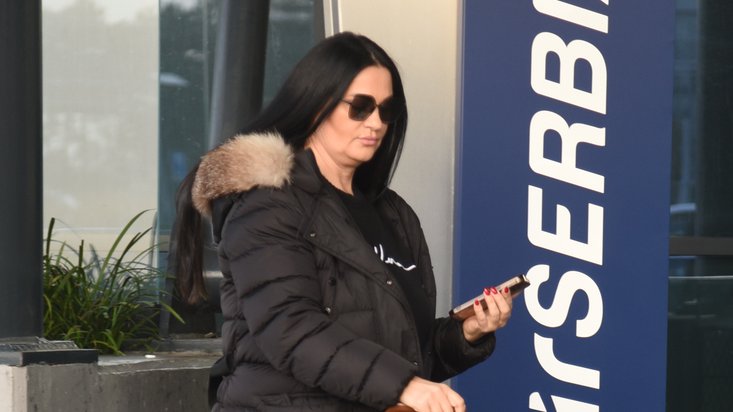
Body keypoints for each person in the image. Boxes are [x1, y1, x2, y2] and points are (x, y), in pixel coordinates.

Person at [170, 31, 513, 412]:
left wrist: (465, 333)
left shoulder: (393, 214)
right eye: (360, 107)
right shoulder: (267, 204)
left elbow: (404, 351)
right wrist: (404, 386)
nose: (376, 122)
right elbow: (291, 330)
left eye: (387, 110)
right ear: (318, 103)